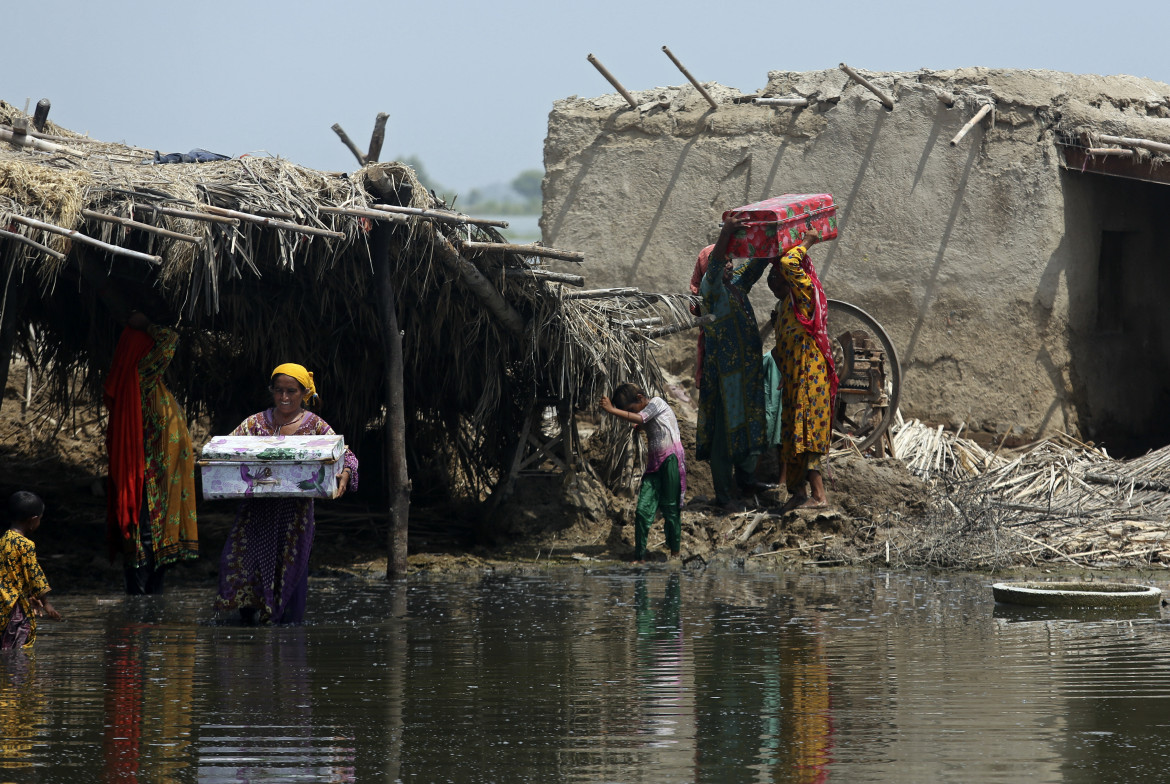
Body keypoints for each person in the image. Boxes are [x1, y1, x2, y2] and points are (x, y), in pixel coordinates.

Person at [215, 363, 358, 624]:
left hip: (295, 516)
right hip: (255, 512)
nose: (284, 397)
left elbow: (346, 454)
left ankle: (287, 640)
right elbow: (226, 448)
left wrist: (345, 474)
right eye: (278, 390)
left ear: (303, 393)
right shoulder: (255, 423)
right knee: (243, 563)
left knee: (289, 569)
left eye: (291, 391)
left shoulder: (314, 425)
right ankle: (247, 635)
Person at [104, 311, 199, 594]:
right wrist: (147, 325)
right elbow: (170, 339)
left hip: (162, 478)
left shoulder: (145, 383)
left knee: (151, 547)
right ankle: (142, 608)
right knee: (146, 538)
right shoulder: (141, 376)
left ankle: (145, 606)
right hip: (150, 478)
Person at [695, 214, 770, 510]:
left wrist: (773, 237)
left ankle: (746, 483)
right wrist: (727, 231)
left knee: (750, 425)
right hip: (724, 378)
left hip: (746, 374)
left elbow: (756, 264)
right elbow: (714, 266)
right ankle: (725, 496)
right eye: (723, 260)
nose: (728, 264)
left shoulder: (735, 286)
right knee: (724, 436)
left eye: (729, 259)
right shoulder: (710, 290)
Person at [771, 229, 838, 510]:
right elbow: (780, 347)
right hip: (794, 379)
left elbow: (789, 264)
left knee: (807, 433)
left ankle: (819, 496)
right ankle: (798, 493)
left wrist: (808, 241)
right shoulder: (786, 305)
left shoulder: (804, 294)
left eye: (775, 281)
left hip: (810, 378)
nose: (772, 286)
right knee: (791, 435)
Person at [600, 384, 686, 562]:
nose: (630, 413)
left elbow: (640, 418)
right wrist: (640, 425)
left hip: (670, 459)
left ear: (640, 398)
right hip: (655, 463)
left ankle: (675, 554)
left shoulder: (657, 402)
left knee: (671, 508)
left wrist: (611, 410)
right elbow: (642, 422)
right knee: (641, 510)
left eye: (630, 409)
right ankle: (640, 557)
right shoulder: (647, 414)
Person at [0, 492, 62, 650]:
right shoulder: (25, 545)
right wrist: (47, 604)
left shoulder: (3, 540)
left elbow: (11, 574)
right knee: (18, 646)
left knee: (5, 644)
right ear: (33, 520)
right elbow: (34, 575)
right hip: (14, 607)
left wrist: (29, 596)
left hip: (2, 603)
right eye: (40, 519)